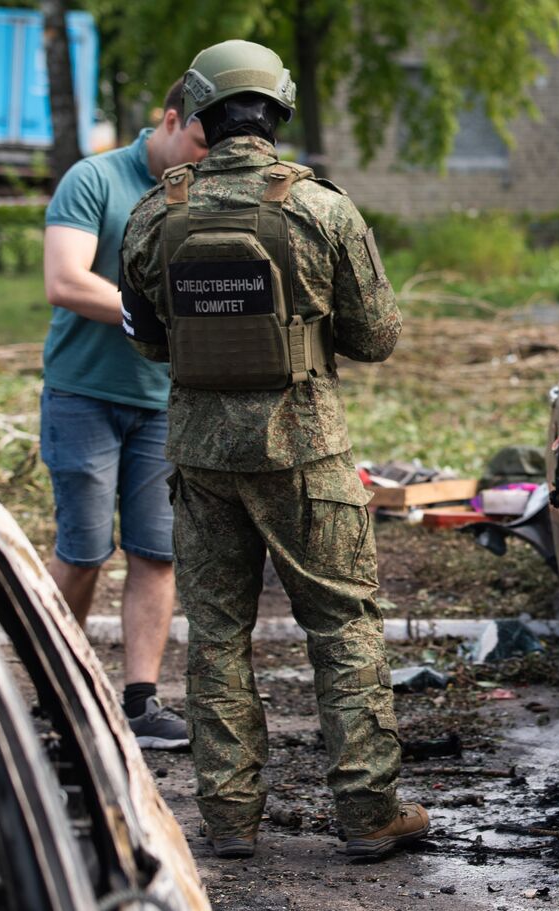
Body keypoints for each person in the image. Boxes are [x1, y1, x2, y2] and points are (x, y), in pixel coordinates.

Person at [118, 39, 427, 859]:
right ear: (279, 109)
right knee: (343, 627)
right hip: (306, 455)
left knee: (216, 634)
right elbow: (377, 337)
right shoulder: (322, 209)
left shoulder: (157, 212)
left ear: (201, 114)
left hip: (200, 458)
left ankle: (228, 821)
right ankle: (368, 815)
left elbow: (147, 342)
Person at [41, 78, 207, 750]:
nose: (203, 159)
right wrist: (155, 311)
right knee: (82, 555)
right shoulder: (94, 179)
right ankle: (58, 694)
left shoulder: (207, 192)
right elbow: (64, 279)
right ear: (170, 121)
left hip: (163, 402)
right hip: (83, 394)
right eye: (197, 141)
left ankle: (140, 703)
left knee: (156, 554)